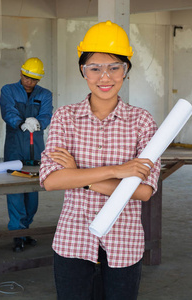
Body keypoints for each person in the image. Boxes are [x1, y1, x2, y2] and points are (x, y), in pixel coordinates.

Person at [39, 21, 161, 299]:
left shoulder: (142, 122)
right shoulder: (65, 117)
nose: (104, 77)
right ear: (83, 72)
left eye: (114, 67)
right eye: (94, 68)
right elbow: (52, 180)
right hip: (73, 237)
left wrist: (80, 177)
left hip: (124, 240)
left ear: (126, 71)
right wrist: (119, 171)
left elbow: (142, 192)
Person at [0, 57, 53, 252]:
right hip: (15, 149)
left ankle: (25, 228)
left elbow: (47, 114)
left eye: (33, 79)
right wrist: (20, 123)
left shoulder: (45, 94)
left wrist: (38, 123)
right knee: (15, 192)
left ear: (38, 79)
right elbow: (8, 111)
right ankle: (16, 233)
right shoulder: (8, 90)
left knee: (32, 195)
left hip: (36, 150)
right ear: (20, 73)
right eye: (25, 77)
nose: (28, 82)